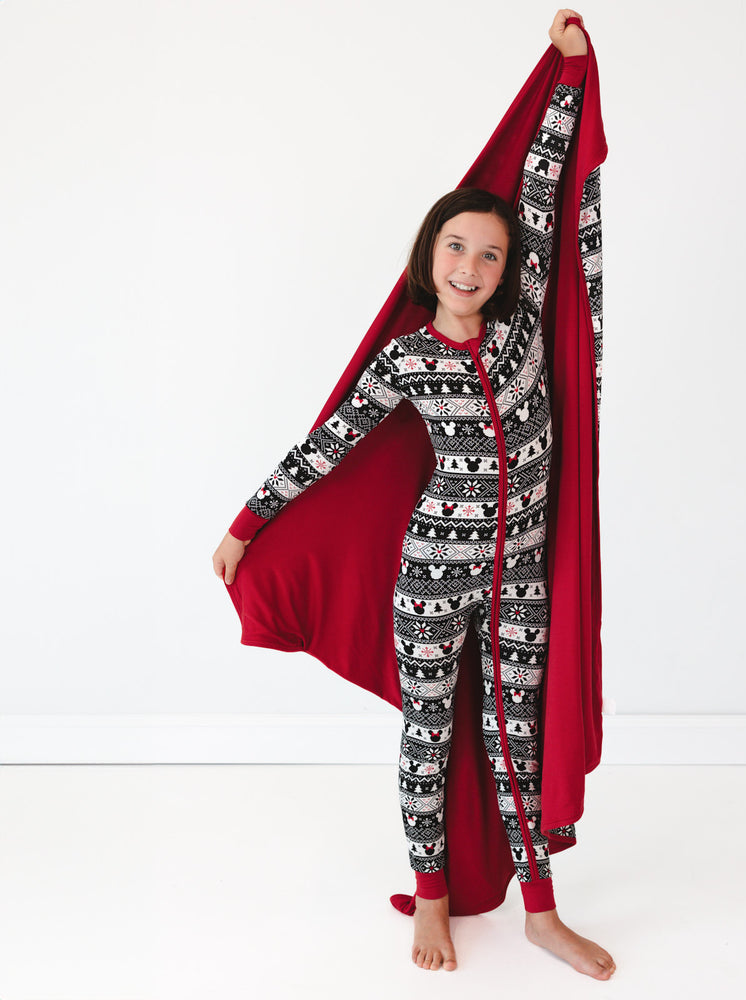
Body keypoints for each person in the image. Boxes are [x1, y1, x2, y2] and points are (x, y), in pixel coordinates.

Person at [212, 9, 614, 980]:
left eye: (487, 252)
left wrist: (566, 83)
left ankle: (541, 910)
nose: (471, 265)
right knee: (431, 733)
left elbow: (543, 188)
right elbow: (327, 446)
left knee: (518, 734)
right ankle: (430, 897)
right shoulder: (405, 359)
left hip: (521, 569)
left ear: (504, 265)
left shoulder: (525, 336)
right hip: (432, 573)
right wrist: (245, 524)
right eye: (455, 249)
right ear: (427, 255)